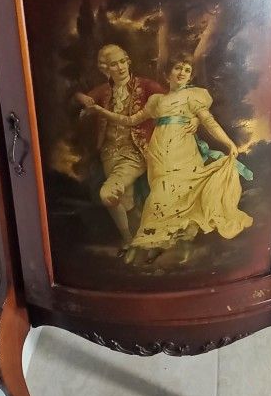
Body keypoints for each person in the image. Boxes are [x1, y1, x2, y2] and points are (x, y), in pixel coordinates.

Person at [77, 56, 252, 262]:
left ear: (190, 75)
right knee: (161, 193)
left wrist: (229, 143)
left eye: (187, 70)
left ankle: (177, 244)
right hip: (159, 153)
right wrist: (100, 111)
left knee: (179, 193)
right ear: (167, 74)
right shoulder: (156, 101)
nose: (182, 73)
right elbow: (130, 120)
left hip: (183, 150)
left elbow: (209, 122)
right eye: (178, 68)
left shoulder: (193, 96)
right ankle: (160, 243)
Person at [76, 44, 163, 250]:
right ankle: (134, 240)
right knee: (123, 198)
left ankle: (128, 240)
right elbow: (79, 95)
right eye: (114, 64)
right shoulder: (105, 91)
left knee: (109, 192)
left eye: (123, 61)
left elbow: (170, 100)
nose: (121, 67)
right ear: (105, 69)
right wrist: (84, 99)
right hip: (108, 152)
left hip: (136, 150)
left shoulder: (146, 85)